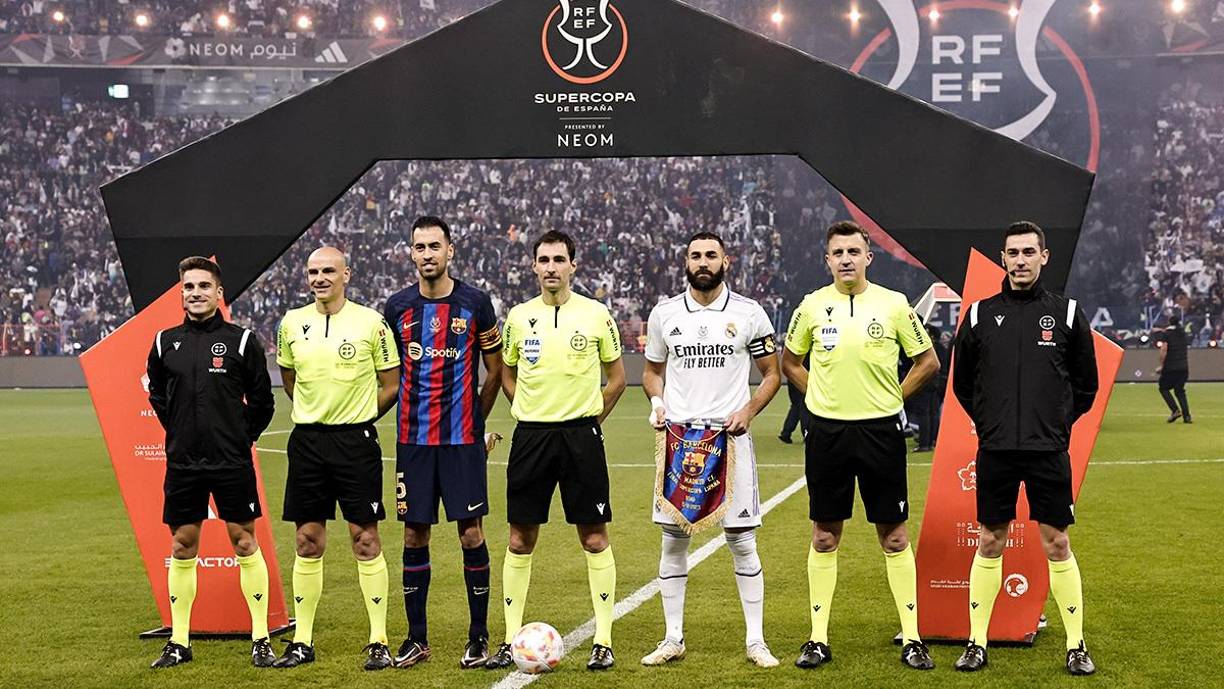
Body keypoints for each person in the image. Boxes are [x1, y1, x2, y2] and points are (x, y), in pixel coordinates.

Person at [781, 221, 940, 671]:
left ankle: (912, 638)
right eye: (838, 252)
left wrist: (894, 397)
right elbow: (789, 361)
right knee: (825, 534)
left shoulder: (893, 305)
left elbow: (928, 361)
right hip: (828, 434)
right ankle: (817, 639)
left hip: (880, 432)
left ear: (869, 256)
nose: (846, 259)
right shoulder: (811, 307)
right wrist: (816, 395)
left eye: (854, 250)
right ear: (827, 260)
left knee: (893, 535)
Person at [951, 221, 1099, 675]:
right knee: (990, 541)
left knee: (1057, 543)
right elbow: (962, 385)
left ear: (1044, 257)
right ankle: (977, 641)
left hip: (1047, 451)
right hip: (996, 450)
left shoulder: (1068, 314)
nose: (1020, 260)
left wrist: (1054, 425)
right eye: (1012, 253)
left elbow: (1086, 386)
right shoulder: (978, 315)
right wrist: (991, 423)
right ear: (1003, 258)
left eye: (1028, 252)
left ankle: (1076, 645)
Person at [485, 230, 627, 671]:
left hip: (581, 437)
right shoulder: (518, 316)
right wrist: (528, 411)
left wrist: (589, 421)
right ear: (533, 266)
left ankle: (603, 640)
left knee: (594, 535)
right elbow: (506, 373)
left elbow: (617, 378)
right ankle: (510, 640)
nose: (551, 267)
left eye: (559, 259)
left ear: (573, 265)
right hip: (531, 438)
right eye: (543, 260)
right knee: (519, 537)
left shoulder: (596, 314)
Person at [639, 231, 783, 667]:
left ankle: (756, 641)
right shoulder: (665, 314)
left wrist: (751, 409)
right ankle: (673, 638)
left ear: (726, 261)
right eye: (696, 255)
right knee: (673, 539)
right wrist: (658, 401)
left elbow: (772, 374)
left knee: (741, 540)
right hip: (680, 442)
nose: (703, 262)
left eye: (711, 255)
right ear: (686, 262)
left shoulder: (749, 313)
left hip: (730, 441)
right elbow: (651, 372)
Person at [382, 216, 505, 669]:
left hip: (461, 442)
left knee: (470, 533)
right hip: (413, 441)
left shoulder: (476, 303)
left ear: (450, 250)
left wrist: (476, 422)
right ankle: (416, 638)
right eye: (420, 247)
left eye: (435, 245)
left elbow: (495, 370)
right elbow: (388, 373)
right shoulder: (396, 309)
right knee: (415, 533)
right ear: (411, 253)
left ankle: (478, 637)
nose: (428, 253)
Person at [273, 246, 402, 671]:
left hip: (355, 443)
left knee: (365, 539)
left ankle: (378, 639)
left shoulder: (371, 323)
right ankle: (302, 640)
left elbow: (390, 383)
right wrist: (318, 414)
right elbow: (289, 379)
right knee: (307, 540)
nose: (320, 278)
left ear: (347, 273)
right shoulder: (292, 323)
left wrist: (359, 416)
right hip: (308, 443)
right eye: (313, 271)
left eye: (329, 270)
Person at [146, 256, 276, 668]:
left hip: (230, 462)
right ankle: (180, 642)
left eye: (204, 286)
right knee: (182, 545)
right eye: (189, 286)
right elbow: (159, 398)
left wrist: (240, 438)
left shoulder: (241, 341)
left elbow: (262, 400)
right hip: (184, 463)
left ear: (219, 293)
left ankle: (260, 638)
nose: (196, 293)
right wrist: (182, 433)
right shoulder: (164, 341)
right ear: (181, 293)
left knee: (243, 541)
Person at [912, 324, 949, 452]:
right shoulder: (941, 348)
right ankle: (932, 441)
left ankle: (924, 444)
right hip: (937, 384)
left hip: (925, 383)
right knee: (933, 413)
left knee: (924, 414)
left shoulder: (925, 348)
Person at [1155, 314, 1192, 423]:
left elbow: (1163, 350)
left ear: (1169, 322)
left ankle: (1175, 410)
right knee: (1180, 391)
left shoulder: (1167, 334)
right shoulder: (1182, 333)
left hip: (1171, 367)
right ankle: (1187, 416)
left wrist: (1161, 366)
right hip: (1183, 367)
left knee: (1163, 388)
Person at [778, 351, 811, 444]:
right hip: (803, 376)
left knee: (795, 406)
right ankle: (806, 434)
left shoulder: (792, 347)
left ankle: (786, 433)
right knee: (804, 407)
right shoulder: (809, 348)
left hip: (792, 378)